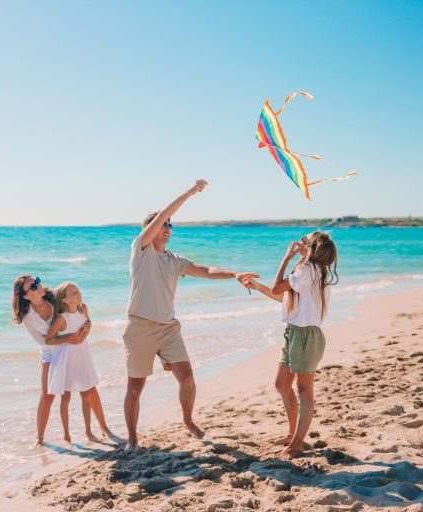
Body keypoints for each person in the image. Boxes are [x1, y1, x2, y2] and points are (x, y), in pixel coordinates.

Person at [122, 179, 259, 450]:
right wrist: (190, 192)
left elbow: (206, 270)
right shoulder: (141, 250)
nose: (167, 227)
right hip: (139, 328)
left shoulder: (175, 260)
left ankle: (187, 420)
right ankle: (132, 439)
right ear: (149, 230)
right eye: (163, 224)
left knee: (187, 379)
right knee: (135, 389)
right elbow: (161, 215)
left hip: (168, 329)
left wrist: (234, 274)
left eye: (170, 225)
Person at [243, 231, 338, 459]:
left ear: (310, 248)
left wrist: (286, 258)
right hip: (294, 334)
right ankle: (292, 434)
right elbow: (283, 298)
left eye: (302, 241)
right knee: (281, 384)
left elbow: (278, 288)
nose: (297, 243)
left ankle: (296, 444)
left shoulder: (307, 271)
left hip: (306, 336)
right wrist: (257, 287)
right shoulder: (310, 272)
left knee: (304, 391)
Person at [12, 275, 90, 446]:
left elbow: (78, 308)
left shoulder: (54, 297)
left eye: (37, 282)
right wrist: (68, 338)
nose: (38, 286)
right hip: (50, 351)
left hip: (69, 347)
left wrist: (87, 324)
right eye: (32, 287)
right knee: (47, 395)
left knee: (86, 388)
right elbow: (43, 341)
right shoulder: (27, 317)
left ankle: (96, 430)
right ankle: (40, 438)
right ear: (25, 296)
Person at [45, 281, 114, 444]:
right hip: (67, 358)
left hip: (83, 355)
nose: (78, 293)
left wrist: (88, 326)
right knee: (66, 397)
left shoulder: (83, 309)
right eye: (73, 292)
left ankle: (89, 431)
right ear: (65, 300)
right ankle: (66, 435)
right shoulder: (62, 319)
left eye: (77, 290)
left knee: (86, 393)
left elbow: (87, 321)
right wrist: (69, 338)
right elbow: (49, 339)